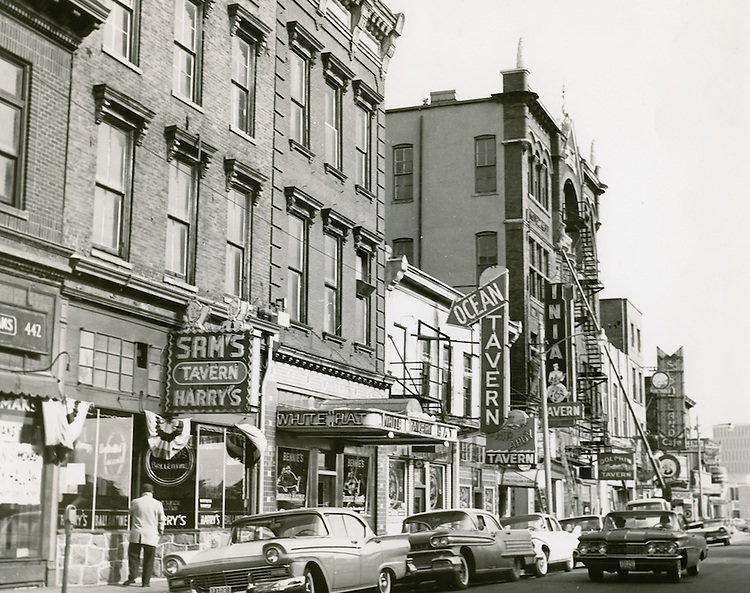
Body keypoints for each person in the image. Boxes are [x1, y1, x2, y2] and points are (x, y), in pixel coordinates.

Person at [122, 483, 165, 587]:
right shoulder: (158, 503)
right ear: (152, 492)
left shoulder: (136, 502)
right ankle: (145, 582)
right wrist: (161, 529)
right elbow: (162, 518)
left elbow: (130, 513)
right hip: (151, 534)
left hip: (137, 533)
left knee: (133, 556)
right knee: (149, 559)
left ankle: (132, 577)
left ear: (142, 491)